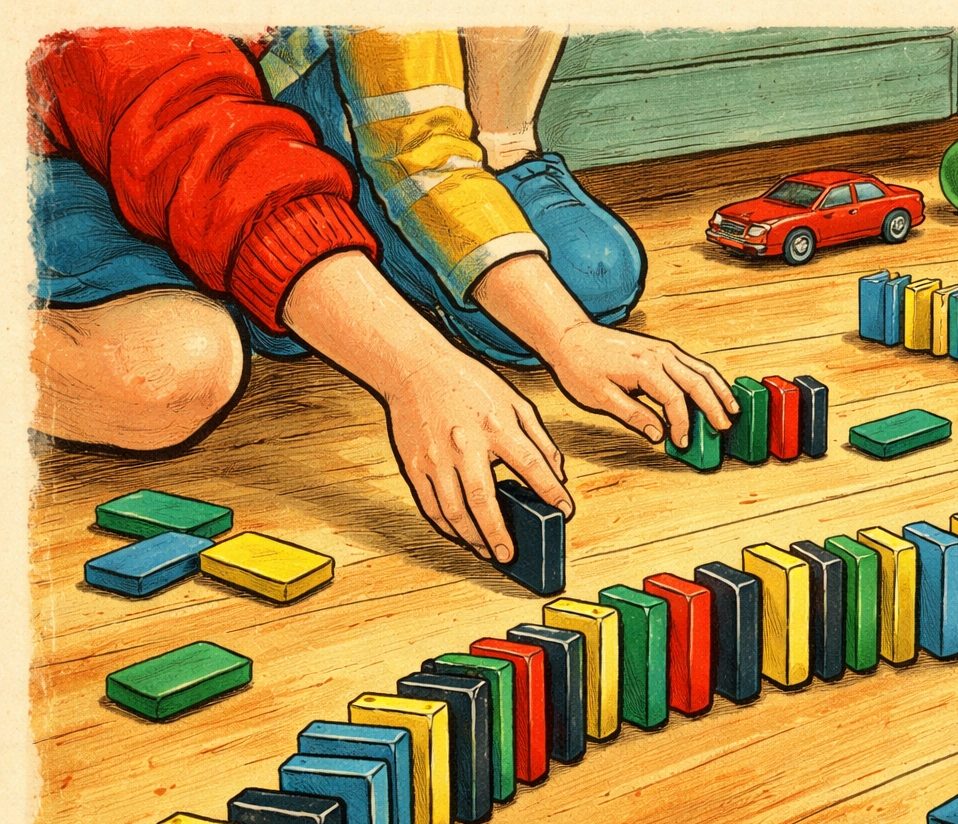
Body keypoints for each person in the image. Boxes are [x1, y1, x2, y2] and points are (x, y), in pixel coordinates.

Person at [29, 28, 736, 566]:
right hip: (65, 158)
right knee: (174, 368)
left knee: (584, 278)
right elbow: (203, 139)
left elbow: (420, 143)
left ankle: (292, 285)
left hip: (260, 130)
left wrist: (567, 336)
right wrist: (415, 370)